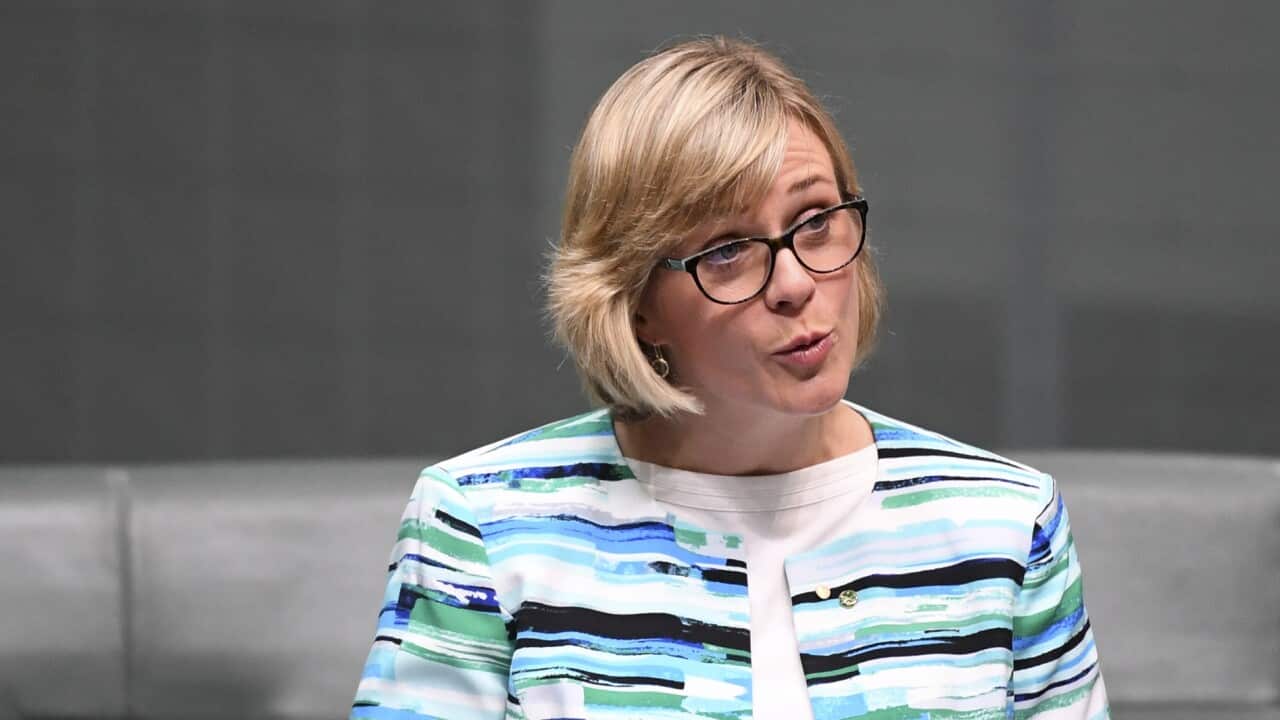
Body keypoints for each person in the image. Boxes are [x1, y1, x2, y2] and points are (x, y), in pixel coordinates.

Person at [350, 36, 1108, 720]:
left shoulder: (1005, 528)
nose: (794, 284)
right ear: (636, 302)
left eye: (815, 223)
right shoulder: (483, 526)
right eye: (727, 251)